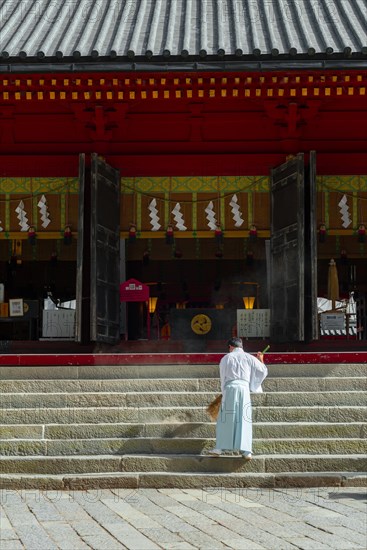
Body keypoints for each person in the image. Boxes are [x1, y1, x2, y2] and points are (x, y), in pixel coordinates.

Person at [208, 337, 268, 460]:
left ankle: (219, 448)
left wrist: (223, 392)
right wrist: (261, 360)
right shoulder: (249, 357)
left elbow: (223, 377)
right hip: (244, 389)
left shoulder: (226, 358)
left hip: (230, 388)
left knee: (225, 418)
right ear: (241, 346)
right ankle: (246, 451)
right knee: (244, 418)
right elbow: (263, 371)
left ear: (230, 347)